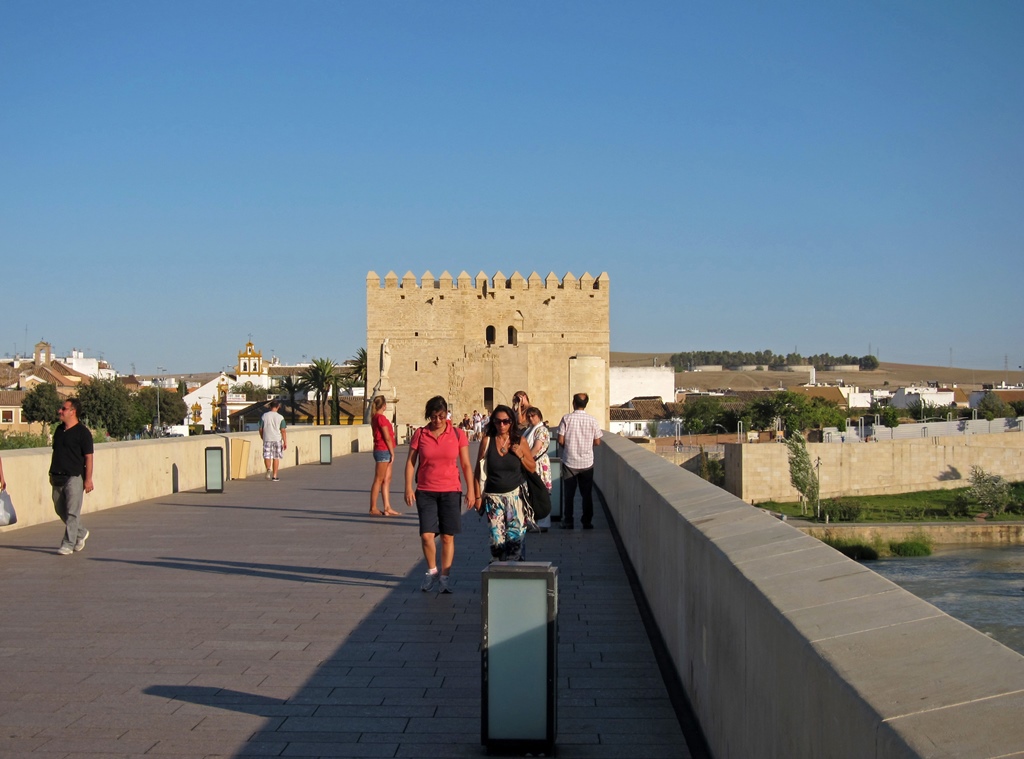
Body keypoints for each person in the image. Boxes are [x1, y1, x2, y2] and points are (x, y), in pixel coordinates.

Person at [404, 396, 477, 593]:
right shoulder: (420, 434)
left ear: (447, 415)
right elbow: (411, 462)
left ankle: (445, 577)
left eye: (441, 416)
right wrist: (408, 487)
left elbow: (466, 464)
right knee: (427, 535)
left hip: (451, 490)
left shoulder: (457, 433)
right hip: (426, 490)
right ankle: (432, 571)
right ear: (429, 416)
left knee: (447, 537)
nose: (437, 420)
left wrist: (471, 491)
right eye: (434, 416)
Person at [475, 404, 536, 562]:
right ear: (493, 422)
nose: (501, 425)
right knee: (496, 541)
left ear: (512, 422)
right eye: (497, 421)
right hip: (493, 499)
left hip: (515, 498)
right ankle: (498, 576)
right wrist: (477, 497)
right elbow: (478, 471)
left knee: (515, 540)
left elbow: (532, 467)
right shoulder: (487, 441)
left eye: (506, 421)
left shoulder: (519, 441)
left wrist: (521, 455)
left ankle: (515, 576)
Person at [49, 398, 94, 555]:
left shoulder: (83, 433)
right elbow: (57, 452)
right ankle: (80, 532)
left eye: (63, 409)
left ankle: (68, 543)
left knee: (72, 511)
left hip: (74, 477)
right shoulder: (59, 430)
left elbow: (89, 457)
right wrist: (51, 472)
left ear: (73, 411)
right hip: (57, 476)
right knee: (60, 509)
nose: (60, 411)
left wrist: (88, 479)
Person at [557, 392, 603, 530]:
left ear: (574, 403)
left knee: (569, 495)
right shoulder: (593, 420)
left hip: (569, 461)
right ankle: (587, 521)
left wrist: (569, 448)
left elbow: (560, 440)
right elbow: (598, 441)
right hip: (587, 463)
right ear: (586, 404)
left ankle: (568, 521)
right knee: (586, 494)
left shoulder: (566, 419)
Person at [369, 395, 399, 516]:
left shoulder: (375, 417)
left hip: (383, 451)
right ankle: (373, 507)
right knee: (379, 479)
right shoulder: (380, 418)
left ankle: (387, 507)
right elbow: (386, 437)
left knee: (387, 479)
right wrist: (392, 452)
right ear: (384, 405)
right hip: (383, 451)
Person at [524, 406, 552, 532]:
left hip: (538, 463)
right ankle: (533, 521)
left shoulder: (541, 430)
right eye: (529, 416)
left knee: (541, 492)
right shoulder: (530, 429)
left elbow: (536, 447)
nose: (531, 418)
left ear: (539, 416)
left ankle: (543, 522)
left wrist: (525, 459)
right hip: (531, 463)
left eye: (533, 415)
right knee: (532, 492)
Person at [259, 400, 288, 481]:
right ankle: (274, 476)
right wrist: (285, 442)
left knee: (267, 455)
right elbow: (283, 430)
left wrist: (262, 436)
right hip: (277, 439)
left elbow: (260, 428)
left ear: (270, 407)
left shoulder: (264, 416)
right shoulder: (280, 417)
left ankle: (268, 468)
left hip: (267, 438)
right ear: (278, 407)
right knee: (276, 457)